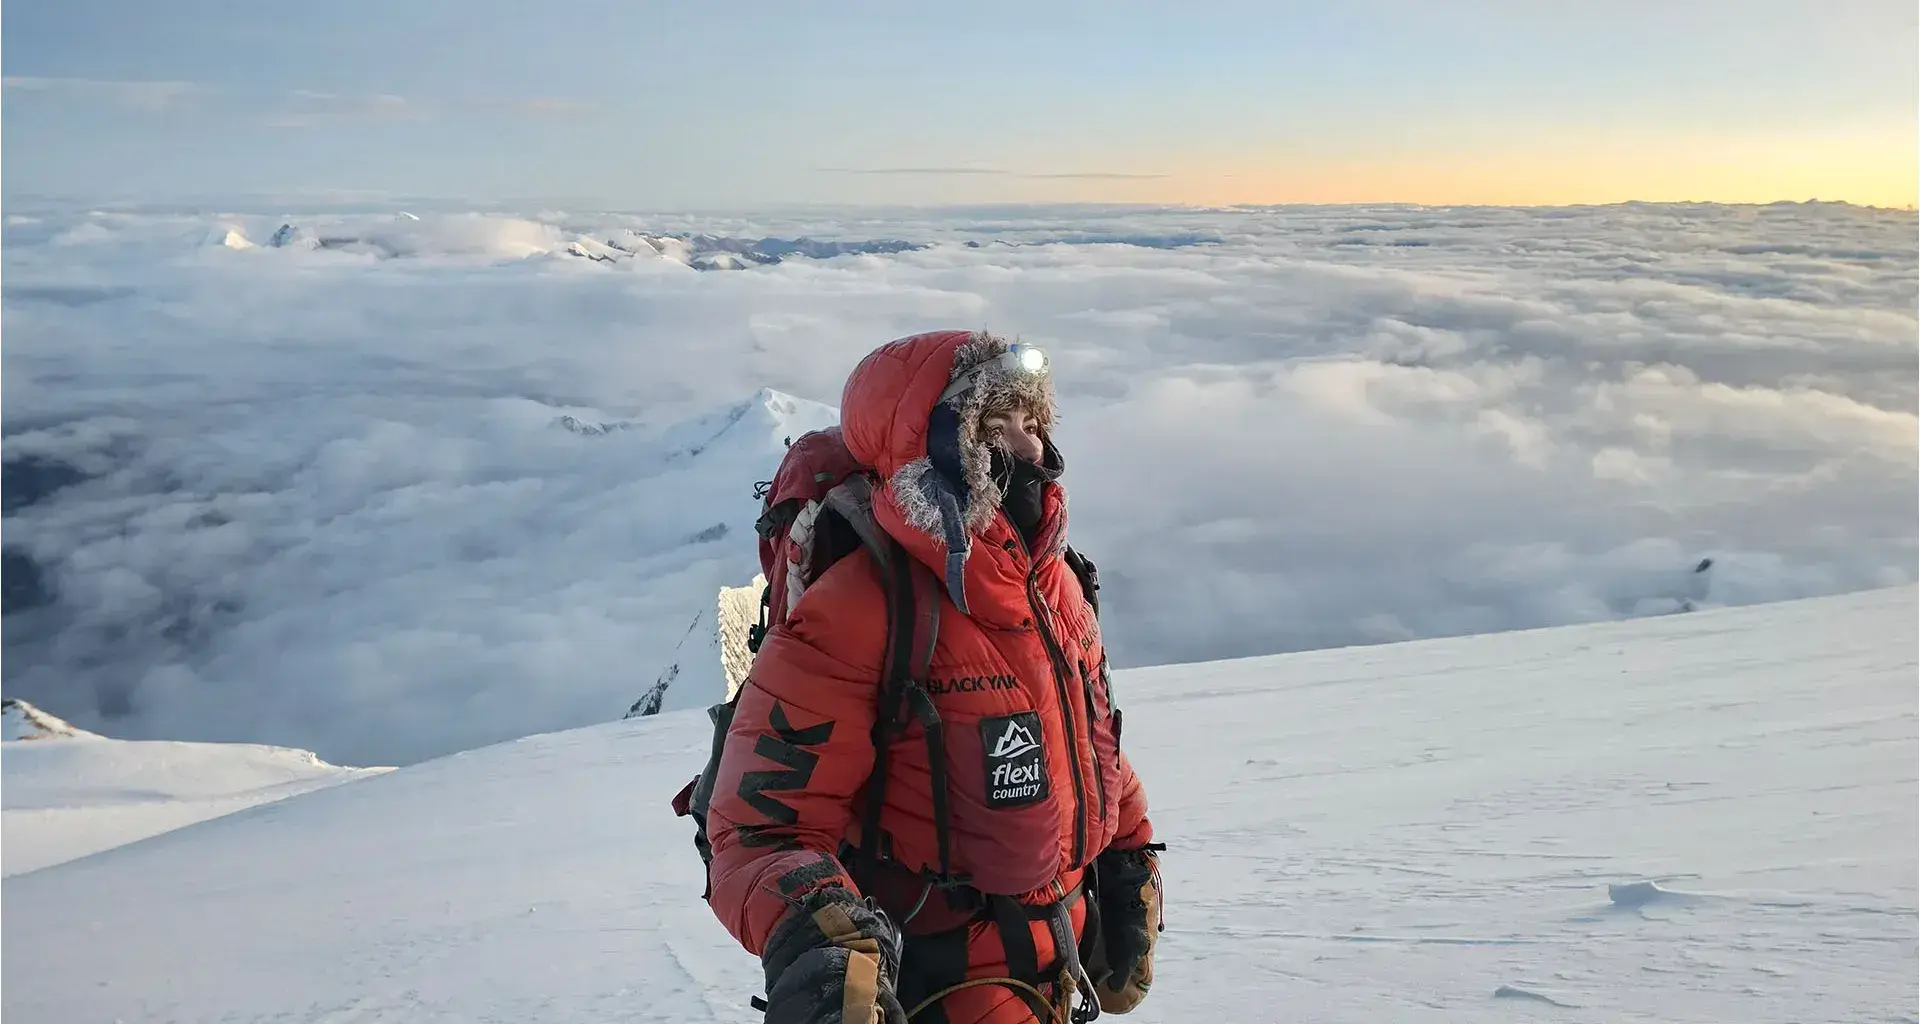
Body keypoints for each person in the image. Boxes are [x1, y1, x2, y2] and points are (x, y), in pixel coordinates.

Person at [703, 330, 1162, 1024]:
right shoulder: (860, 606)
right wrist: (822, 941)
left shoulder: (1059, 583)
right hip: (934, 987)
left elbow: (1088, 737)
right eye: (994, 427)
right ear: (932, 446)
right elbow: (762, 827)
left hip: (1057, 975)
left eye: (1032, 421)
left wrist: (1129, 856)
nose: (1031, 447)